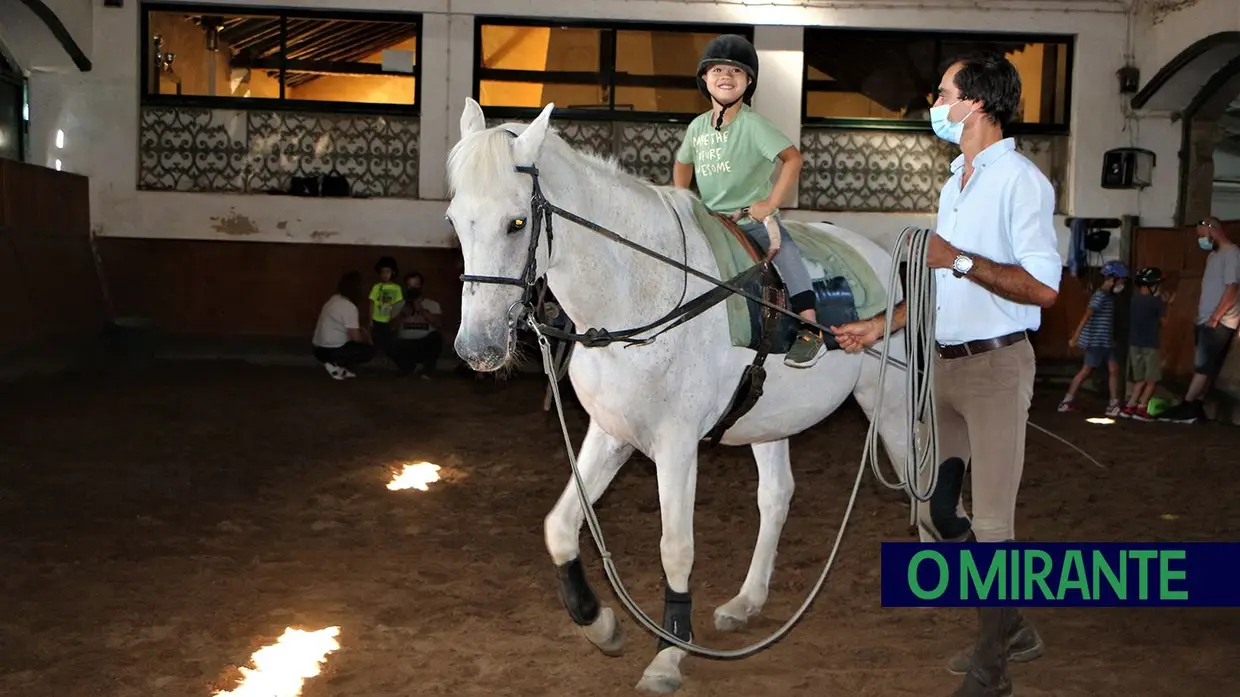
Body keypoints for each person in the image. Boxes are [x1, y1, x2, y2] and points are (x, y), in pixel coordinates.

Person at [831, 53, 1061, 697]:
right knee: (935, 506)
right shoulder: (956, 176)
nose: (935, 101)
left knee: (991, 526)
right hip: (946, 369)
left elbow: (1044, 287)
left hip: (994, 367)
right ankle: (1010, 625)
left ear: (977, 102)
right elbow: (937, 278)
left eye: (943, 92)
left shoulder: (1020, 182)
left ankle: (993, 671)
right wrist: (881, 325)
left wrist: (956, 258)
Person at [673, 34, 825, 369]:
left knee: (786, 253)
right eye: (717, 71)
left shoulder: (754, 125)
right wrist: (681, 199)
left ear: (748, 81)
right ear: (704, 79)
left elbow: (793, 159)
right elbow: (683, 162)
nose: (725, 76)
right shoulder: (697, 127)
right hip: (710, 222)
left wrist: (770, 203)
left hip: (749, 222)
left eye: (735, 72)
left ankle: (810, 326)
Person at [1158, 217, 1239, 424]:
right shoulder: (1213, 256)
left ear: (1213, 230)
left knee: (1203, 366)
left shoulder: (1231, 254)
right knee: (1206, 366)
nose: (1201, 240)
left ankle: (1188, 405)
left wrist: (1215, 317)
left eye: (1202, 235)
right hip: (1207, 318)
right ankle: (1195, 406)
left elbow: (1232, 288)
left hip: (1218, 321)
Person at [1057, 261, 1126, 416]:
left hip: (1106, 341)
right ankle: (1066, 401)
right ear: (1113, 278)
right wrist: (1076, 336)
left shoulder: (1108, 295)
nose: (1123, 283)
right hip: (1096, 341)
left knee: (1113, 369)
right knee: (1086, 370)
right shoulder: (1100, 296)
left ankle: (1113, 403)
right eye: (1121, 280)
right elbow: (1087, 315)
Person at [1121, 266, 1174, 420]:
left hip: (1134, 344)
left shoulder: (1134, 299)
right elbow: (1165, 323)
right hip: (1150, 345)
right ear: (1152, 286)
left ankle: (1130, 406)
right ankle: (1142, 408)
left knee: (1140, 378)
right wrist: (1168, 305)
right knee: (1151, 379)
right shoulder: (1156, 302)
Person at [312, 271, 375, 379]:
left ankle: (336, 366)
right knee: (368, 351)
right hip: (332, 351)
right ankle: (335, 364)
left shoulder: (334, 299)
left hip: (317, 349)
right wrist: (367, 337)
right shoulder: (349, 307)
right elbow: (355, 337)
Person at [391, 271, 444, 379]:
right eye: (410, 286)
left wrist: (422, 311)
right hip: (405, 345)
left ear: (421, 287)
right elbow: (391, 328)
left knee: (436, 338)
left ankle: (427, 372)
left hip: (424, 345)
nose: (413, 289)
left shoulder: (432, 304)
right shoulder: (398, 305)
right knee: (389, 341)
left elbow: (439, 325)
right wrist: (402, 315)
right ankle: (408, 368)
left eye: (416, 285)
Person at [369, 256, 404, 353]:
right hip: (377, 320)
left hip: (390, 321)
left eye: (387, 271)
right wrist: (370, 321)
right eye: (382, 272)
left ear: (393, 272)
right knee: (377, 342)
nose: (385, 274)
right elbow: (372, 303)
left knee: (390, 342)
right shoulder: (377, 287)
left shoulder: (397, 288)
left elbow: (398, 305)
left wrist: (395, 320)